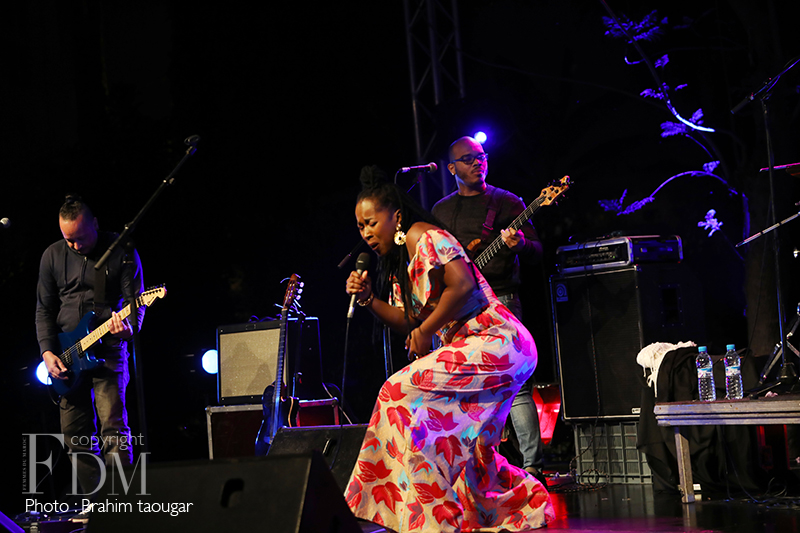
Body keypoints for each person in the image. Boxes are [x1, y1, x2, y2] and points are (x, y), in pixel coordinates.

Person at [344, 167, 553, 532]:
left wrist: (426, 330)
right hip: (480, 352)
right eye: (360, 227)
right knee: (465, 452)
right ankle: (522, 504)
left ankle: (431, 522)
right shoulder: (402, 264)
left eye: (371, 223)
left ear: (395, 216)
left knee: (396, 391)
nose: (366, 233)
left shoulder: (425, 236)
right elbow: (408, 319)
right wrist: (368, 300)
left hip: (497, 342)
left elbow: (463, 284)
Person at [431, 136, 547, 486]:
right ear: (452, 168)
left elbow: (538, 252)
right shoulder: (440, 211)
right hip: (458, 308)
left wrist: (520, 244)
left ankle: (533, 468)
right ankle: (464, 466)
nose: (477, 162)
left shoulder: (507, 202)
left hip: (502, 300)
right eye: (468, 159)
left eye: (481, 156)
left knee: (517, 384)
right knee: (459, 386)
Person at [36, 194, 145, 496]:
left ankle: (120, 503)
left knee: (113, 430)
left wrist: (127, 329)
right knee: (74, 436)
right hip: (68, 353)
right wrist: (47, 351)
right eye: (68, 239)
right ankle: (98, 501)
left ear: (95, 224)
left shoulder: (121, 251)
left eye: (80, 238)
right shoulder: (52, 255)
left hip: (107, 349)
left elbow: (135, 306)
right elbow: (44, 308)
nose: (74, 245)